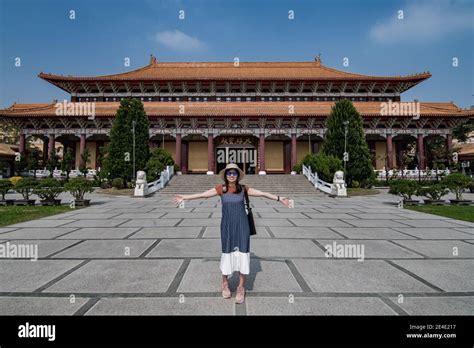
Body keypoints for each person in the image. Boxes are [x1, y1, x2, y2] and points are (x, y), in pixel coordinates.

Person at [172, 163, 290, 304]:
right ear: (225, 175)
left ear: (238, 175)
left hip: (242, 227)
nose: (232, 175)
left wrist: (278, 198)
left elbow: (262, 193)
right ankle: (225, 283)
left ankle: (241, 287)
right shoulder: (221, 189)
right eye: (229, 173)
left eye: (234, 173)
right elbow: (203, 195)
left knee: (243, 255)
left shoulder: (243, 189)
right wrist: (184, 197)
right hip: (227, 227)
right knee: (227, 254)